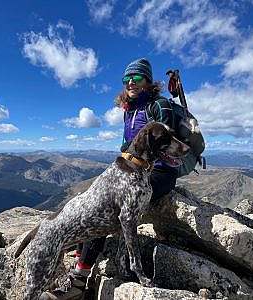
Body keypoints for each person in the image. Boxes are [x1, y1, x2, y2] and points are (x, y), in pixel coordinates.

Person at [73, 58, 178, 277]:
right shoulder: (129, 110)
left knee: (109, 206)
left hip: (159, 172)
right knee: (96, 197)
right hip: (135, 168)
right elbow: (126, 146)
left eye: (136, 78)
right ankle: (82, 248)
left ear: (147, 81)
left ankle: (80, 277)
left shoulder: (159, 105)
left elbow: (169, 145)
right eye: (126, 79)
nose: (131, 82)